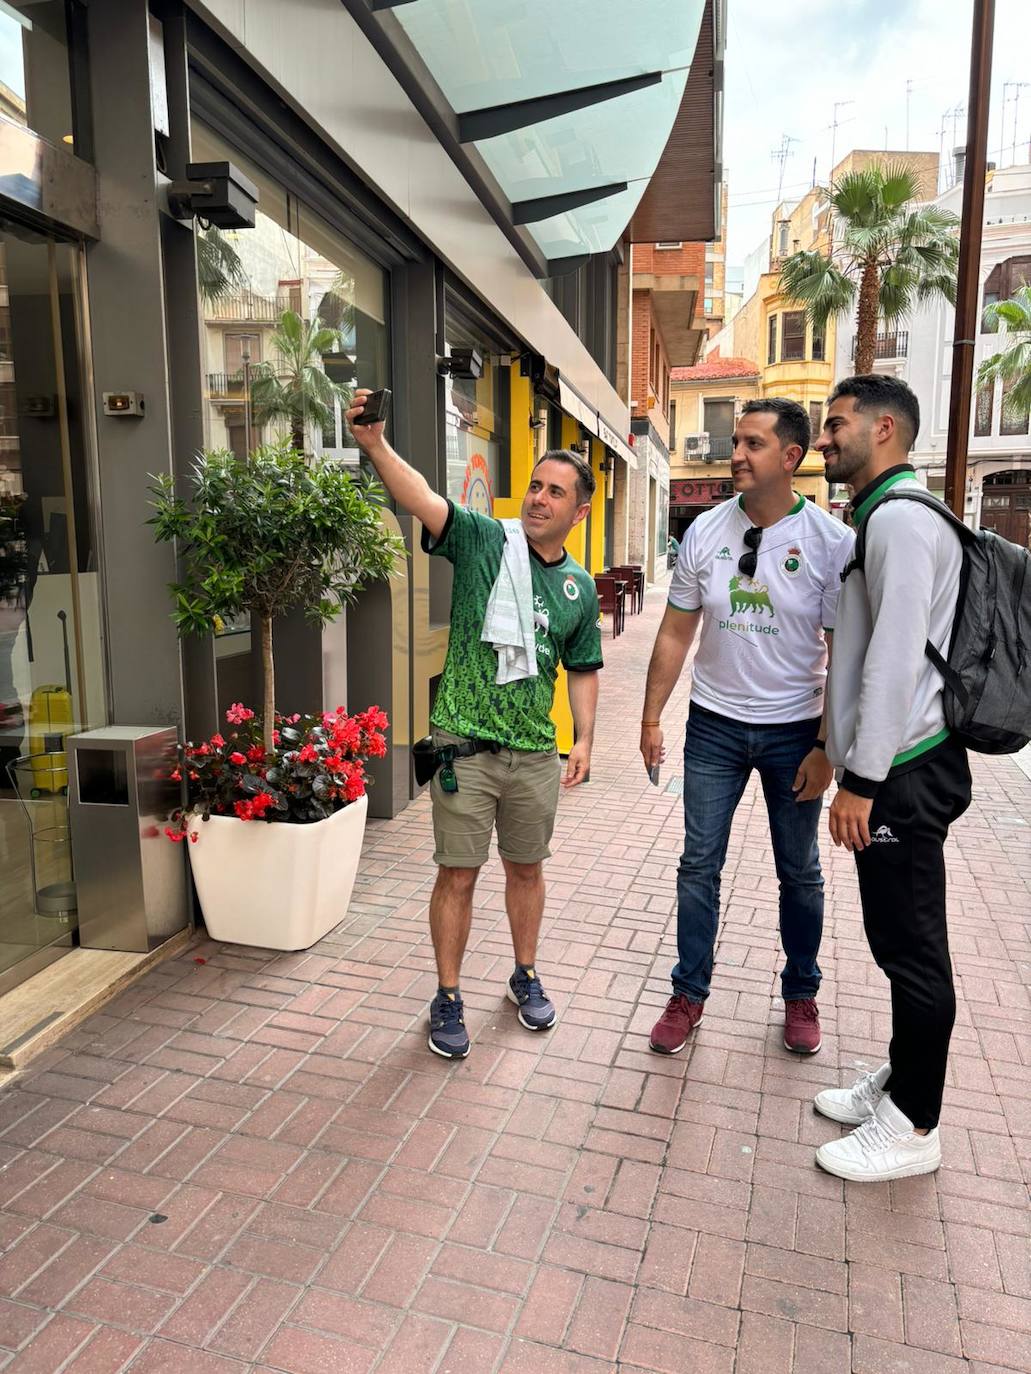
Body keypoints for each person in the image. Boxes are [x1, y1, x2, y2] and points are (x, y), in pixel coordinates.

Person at [346, 391, 602, 1059]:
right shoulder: (487, 539)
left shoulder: (578, 585)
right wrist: (374, 446)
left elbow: (581, 665)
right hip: (464, 750)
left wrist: (583, 737)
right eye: (534, 487)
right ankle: (448, 995)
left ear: (579, 511)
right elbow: (422, 498)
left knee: (526, 871)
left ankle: (524, 975)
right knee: (457, 875)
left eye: (555, 492)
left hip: (533, 756)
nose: (538, 499)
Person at [641, 398, 853, 1057]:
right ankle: (688, 994)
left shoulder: (828, 543)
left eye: (753, 443)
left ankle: (800, 994)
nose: (736, 453)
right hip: (713, 728)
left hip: (795, 732)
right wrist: (650, 715)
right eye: (736, 440)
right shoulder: (704, 531)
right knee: (697, 864)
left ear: (790, 457)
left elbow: (842, 651)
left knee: (801, 872)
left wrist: (826, 746)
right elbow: (677, 632)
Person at [813, 374, 970, 1182]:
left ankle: (914, 1125)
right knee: (896, 941)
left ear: (883, 430)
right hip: (896, 769)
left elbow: (895, 656)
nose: (824, 437)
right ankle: (902, 1081)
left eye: (836, 424)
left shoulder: (902, 523)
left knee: (910, 949)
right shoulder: (885, 516)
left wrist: (861, 781)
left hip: (903, 773)